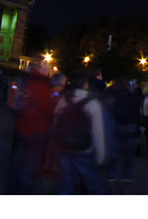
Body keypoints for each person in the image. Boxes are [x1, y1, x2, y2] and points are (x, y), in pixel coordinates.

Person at [7, 61, 56, 193]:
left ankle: (11, 190)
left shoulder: (25, 81)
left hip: (21, 128)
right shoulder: (43, 86)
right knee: (28, 170)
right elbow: (47, 109)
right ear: (43, 70)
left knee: (16, 164)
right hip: (36, 132)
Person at [54, 75, 107, 194]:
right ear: (85, 85)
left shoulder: (64, 99)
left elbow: (55, 121)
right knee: (93, 186)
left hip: (64, 147)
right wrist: (100, 156)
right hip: (84, 150)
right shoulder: (92, 103)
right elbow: (98, 132)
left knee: (66, 184)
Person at [108, 79, 141, 190]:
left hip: (115, 130)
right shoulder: (132, 98)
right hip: (130, 131)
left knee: (113, 160)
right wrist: (137, 134)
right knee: (128, 160)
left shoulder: (112, 98)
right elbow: (136, 116)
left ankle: (112, 182)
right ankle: (126, 183)